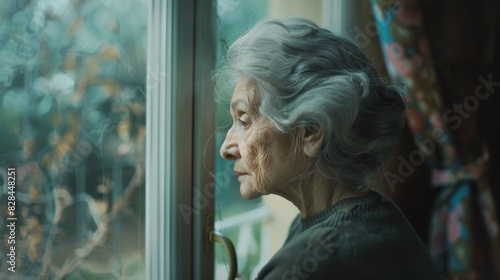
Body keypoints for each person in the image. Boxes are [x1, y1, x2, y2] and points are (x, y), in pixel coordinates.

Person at [219, 18, 442, 280]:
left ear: (311, 131)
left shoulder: (324, 256)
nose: (226, 149)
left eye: (244, 121)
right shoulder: (367, 218)